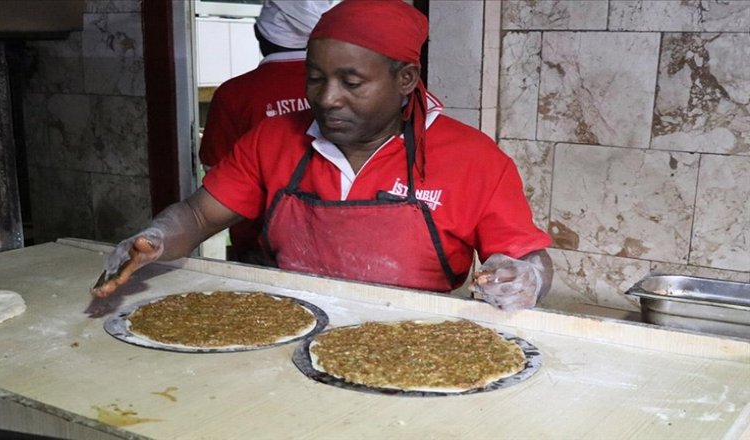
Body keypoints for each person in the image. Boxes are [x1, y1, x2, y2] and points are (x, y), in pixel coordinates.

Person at [92, 0, 553, 312]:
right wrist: (156, 237)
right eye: (315, 78)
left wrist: (524, 278)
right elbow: (196, 216)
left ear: (407, 79)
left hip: (415, 336)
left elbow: (531, 259)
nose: (327, 98)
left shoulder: (474, 159)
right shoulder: (272, 141)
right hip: (280, 323)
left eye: (351, 83)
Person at [199, 0, 332, 263]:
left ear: (259, 34)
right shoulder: (341, 91)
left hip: (256, 248)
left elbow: (216, 175)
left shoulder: (234, 94)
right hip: (330, 244)